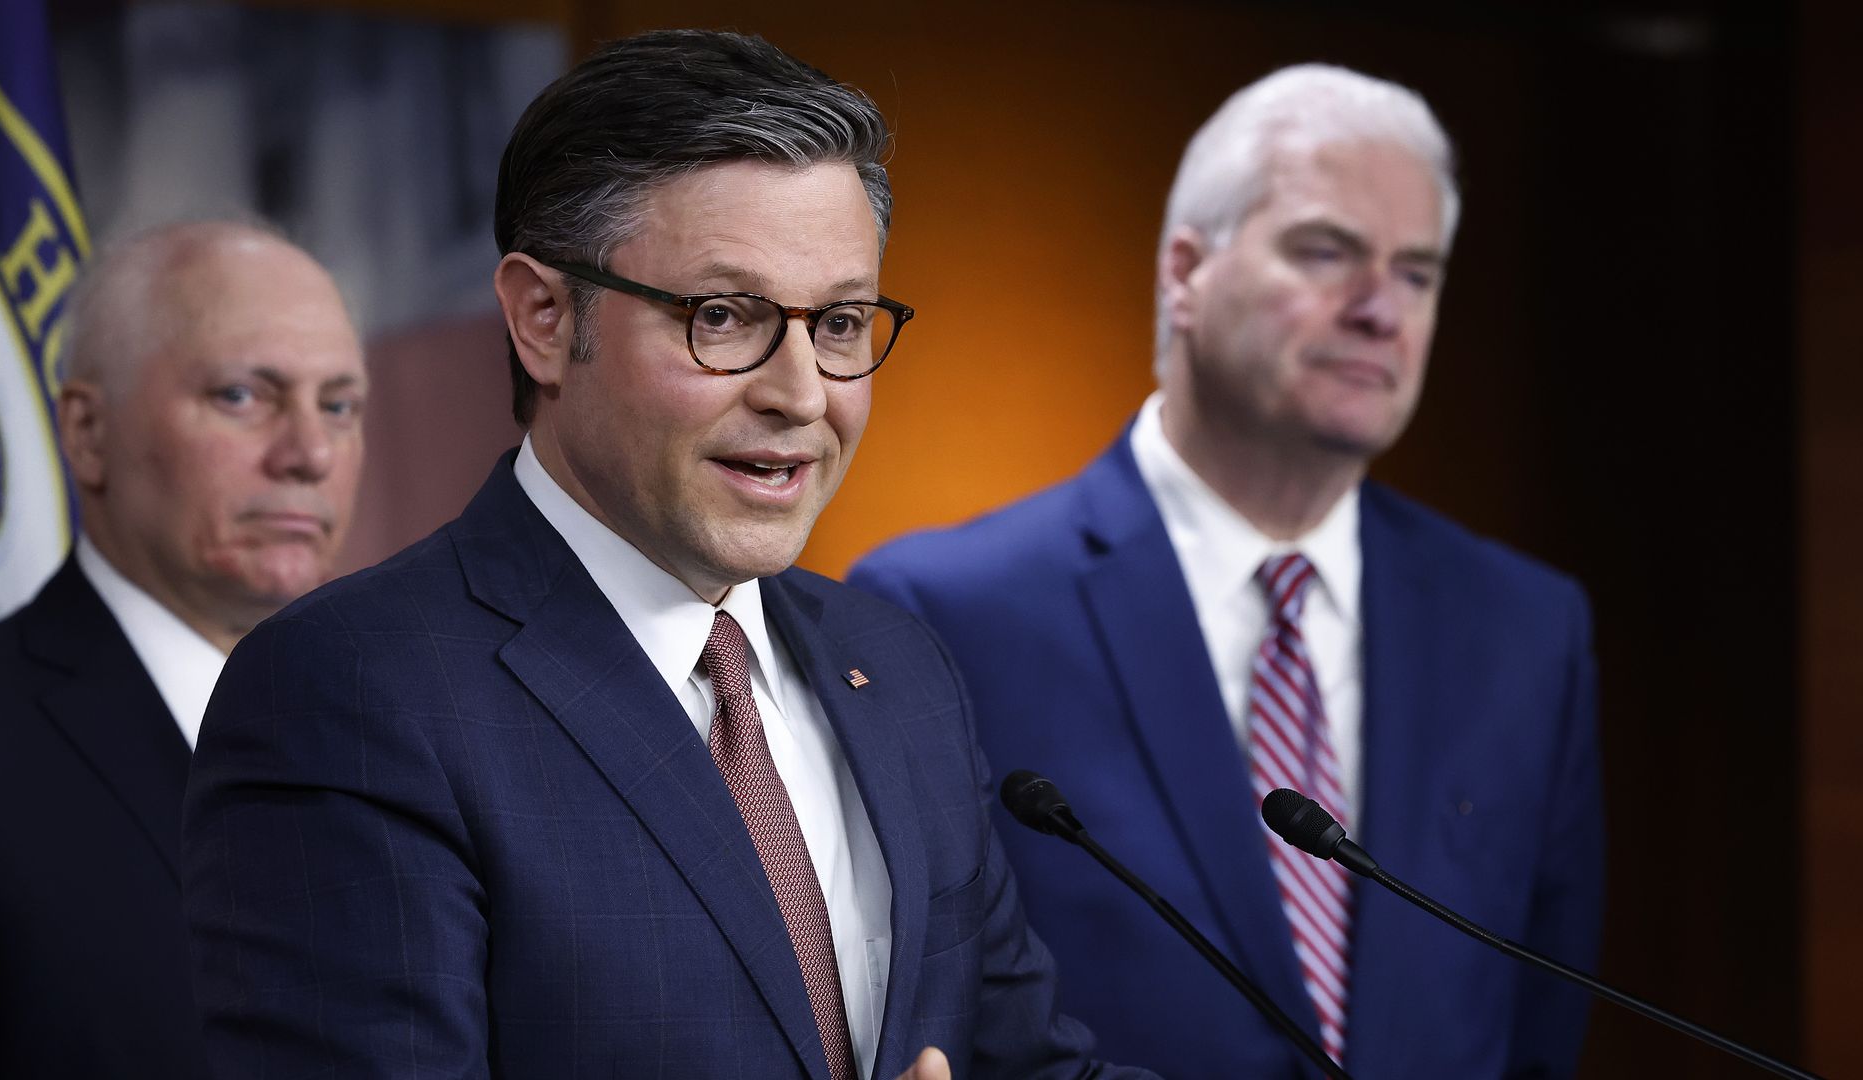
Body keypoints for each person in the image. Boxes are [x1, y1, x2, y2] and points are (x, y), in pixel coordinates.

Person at [181, 30, 1151, 1080]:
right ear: (544, 320)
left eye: (837, 322)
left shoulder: (901, 669)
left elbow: (1022, 1063)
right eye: (724, 316)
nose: (800, 394)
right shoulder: (353, 691)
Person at [850, 64, 1604, 1079]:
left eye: (1418, 272)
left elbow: (1540, 1025)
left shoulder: (1526, 628)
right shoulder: (940, 614)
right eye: (1327, 252)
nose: (1383, 309)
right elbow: (928, 1023)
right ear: (1185, 271)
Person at [0, 220, 367, 1079]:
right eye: (243, 396)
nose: (310, 454)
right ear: (88, 433)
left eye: (338, 405)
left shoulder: (413, 732)